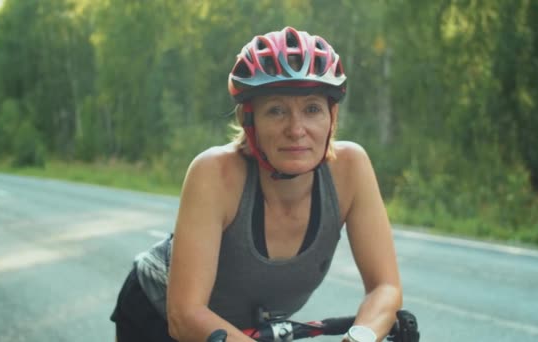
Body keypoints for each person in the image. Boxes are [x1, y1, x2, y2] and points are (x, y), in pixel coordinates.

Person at [110, 26, 403, 342]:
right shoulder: (214, 173)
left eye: (312, 109)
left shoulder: (351, 168)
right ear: (249, 120)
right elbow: (185, 316)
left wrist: (363, 335)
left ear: (332, 116)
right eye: (276, 110)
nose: (296, 129)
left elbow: (385, 287)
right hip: (159, 316)